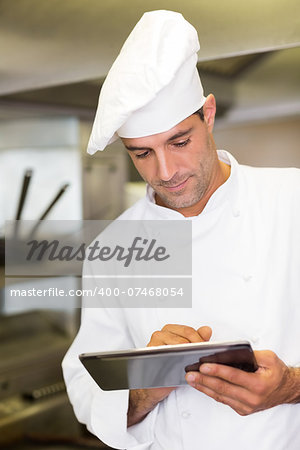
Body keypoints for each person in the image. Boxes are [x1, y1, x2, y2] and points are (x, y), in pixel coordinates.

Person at [62, 10, 300, 450]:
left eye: (179, 141)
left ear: (208, 114)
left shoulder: (293, 201)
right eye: (142, 153)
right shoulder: (113, 248)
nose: (166, 171)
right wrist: (143, 391)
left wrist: (292, 385)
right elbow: (85, 383)